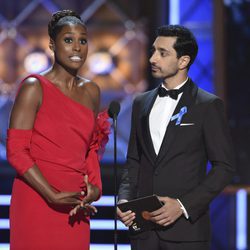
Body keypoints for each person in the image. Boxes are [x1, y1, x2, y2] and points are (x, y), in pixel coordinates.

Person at [117, 25, 235, 250]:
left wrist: (182, 206)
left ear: (183, 61)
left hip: (186, 234)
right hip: (144, 233)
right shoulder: (141, 103)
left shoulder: (207, 105)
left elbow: (224, 167)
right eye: (153, 51)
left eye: (163, 53)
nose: (152, 58)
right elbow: (134, 160)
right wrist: (124, 200)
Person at [6, 10, 110, 250]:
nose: (77, 48)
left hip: (74, 202)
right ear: (52, 45)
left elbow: (91, 147)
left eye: (82, 41)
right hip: (36, 197)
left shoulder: (92, 91)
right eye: (68, 40)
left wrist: (94, 186)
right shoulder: (34, 86)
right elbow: (16, 150)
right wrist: (51, 194)